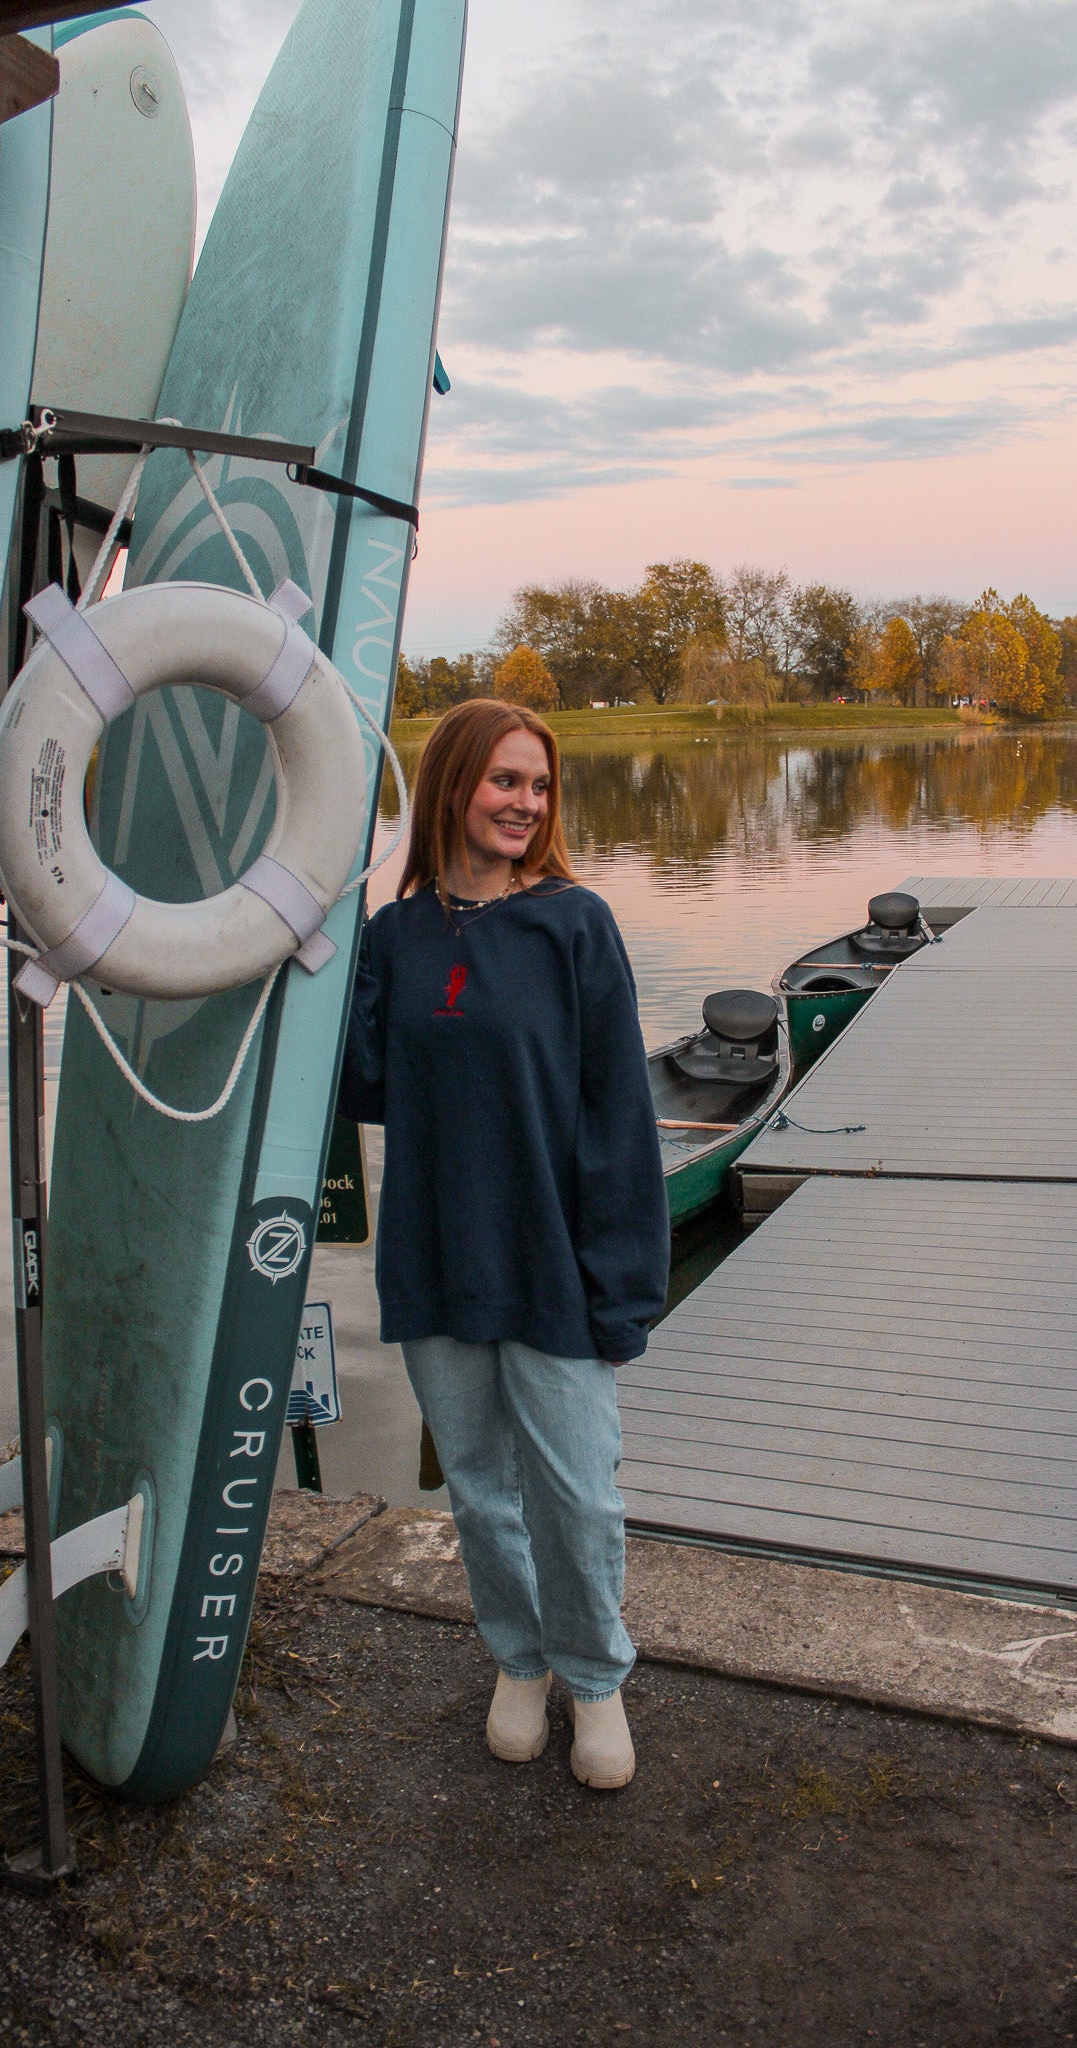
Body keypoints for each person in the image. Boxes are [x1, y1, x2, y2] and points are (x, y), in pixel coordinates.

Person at [337, 697, 669, 1790]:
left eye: (538, 785)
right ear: (452, 784)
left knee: (577, 1489)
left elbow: (619, 1115)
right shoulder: (395, 934)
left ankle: (596, 1673)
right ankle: (519, 1661)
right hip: (437, 1255)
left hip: (554, 1261)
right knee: (480, 1485)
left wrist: (621, 1283)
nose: (526, 802)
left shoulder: (576, 924)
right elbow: (367, 1085)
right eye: (505, 781)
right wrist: (323, 958)